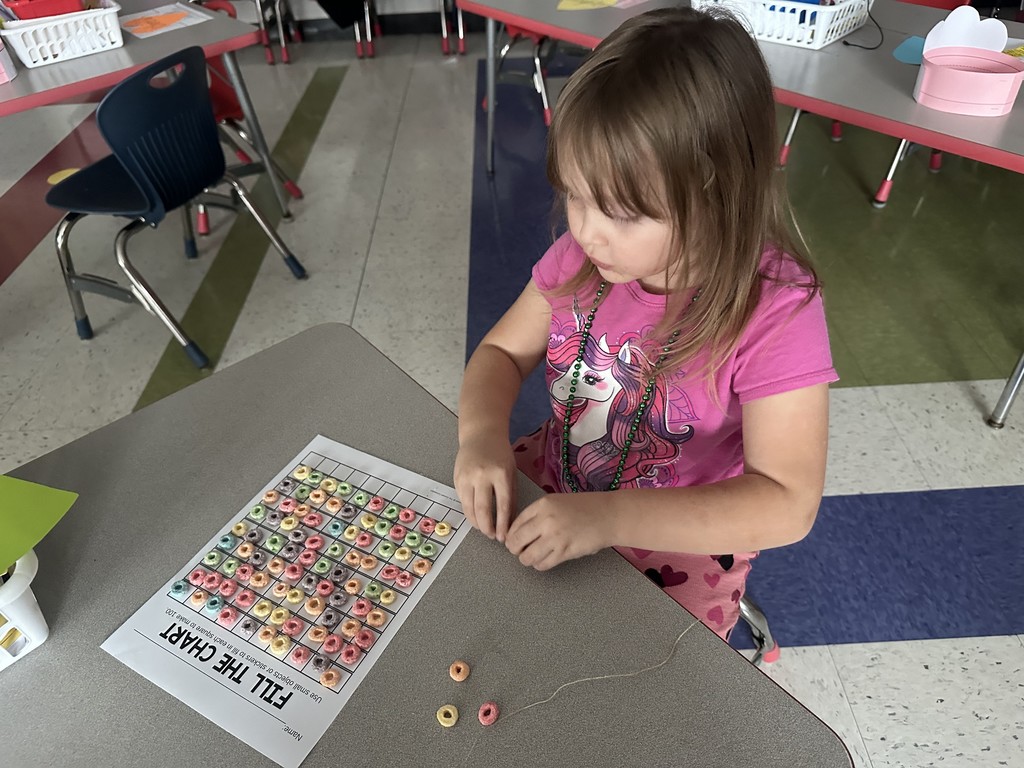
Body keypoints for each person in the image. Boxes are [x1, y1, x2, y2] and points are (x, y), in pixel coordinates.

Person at [453, 6, 838, 640]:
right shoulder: (582, 258)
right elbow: (500, 352)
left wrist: (605, 519)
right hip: (559, 484)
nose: (585, 229)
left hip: (678, 539)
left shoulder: (777, 311)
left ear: (716, 192)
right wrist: (480, 435)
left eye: (622, 212)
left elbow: (788, 503)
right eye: (574, 194)